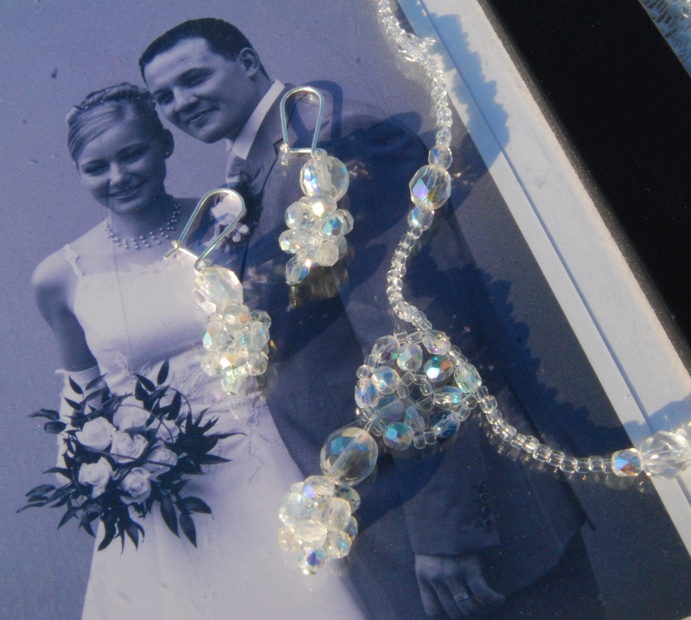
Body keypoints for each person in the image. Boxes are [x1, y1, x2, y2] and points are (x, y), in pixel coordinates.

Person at [138, 18, 607, 620]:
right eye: (164, 97)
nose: (181, 103)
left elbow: (413, 330)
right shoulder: (253, 172)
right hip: (388, 526)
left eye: (194, 78)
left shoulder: (331, 144)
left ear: (247, 63)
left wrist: (446, 531)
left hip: (468, 530)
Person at [31, 83, 368, 619]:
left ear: (164, 144)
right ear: (78, 173)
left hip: (267, 457)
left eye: (132, 154)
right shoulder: (59, 276)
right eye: (97, 168)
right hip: (158, 486)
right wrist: (94, 479)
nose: (118, 176)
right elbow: (82, 394)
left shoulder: (229, 220)